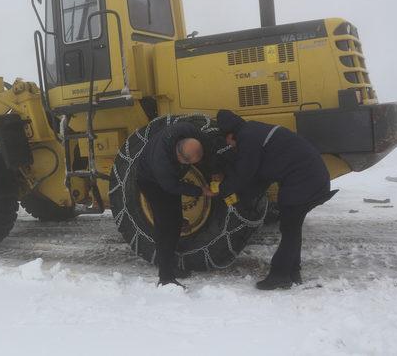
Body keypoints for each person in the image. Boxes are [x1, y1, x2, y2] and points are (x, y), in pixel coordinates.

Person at [216, 109, 336, 290]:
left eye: (229, 143)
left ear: (231, 135)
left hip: (303, 180)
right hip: (311, 178)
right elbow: (261, 177)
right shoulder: (254, 131)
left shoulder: (247, 138)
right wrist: (243, 198)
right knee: (292, 228)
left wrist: (220, 191)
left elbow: (244, 173)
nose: (231, 147)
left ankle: (279, 274)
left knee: (289, 228)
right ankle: (293, 272)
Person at [137, 121, 216, 288]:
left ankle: (170, 263)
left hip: (168, 180)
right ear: (180, 158)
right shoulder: (162, 163)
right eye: (190, 164)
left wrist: (216, 171)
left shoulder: (189, 130)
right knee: (167, 227)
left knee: (176, 220)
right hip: (152, 183)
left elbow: (207, 146)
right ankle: (165, 278)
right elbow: (172, 187)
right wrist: (201, 190)